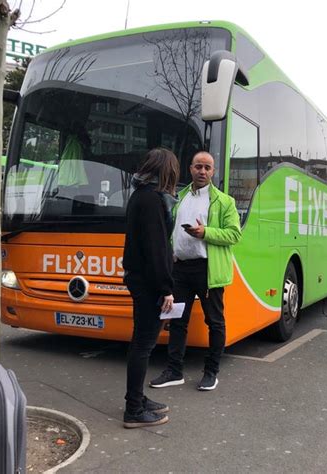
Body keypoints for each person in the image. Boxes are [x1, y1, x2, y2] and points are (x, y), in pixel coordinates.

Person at [150, 151, 241, 391]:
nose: (202, 171)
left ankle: (211, 372)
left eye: (207, 167)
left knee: (215, 322)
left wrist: (206, 232)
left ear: (213, 172)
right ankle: (174, 371)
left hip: (207, 269)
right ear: (190, 169)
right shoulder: (178, 197)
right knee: (176, 320)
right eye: (198, 166)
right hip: (180, 269)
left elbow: (234, 234)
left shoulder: (224, 201)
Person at [122, 148, 180, 428]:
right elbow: (156, 249)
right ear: (166, 173)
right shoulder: (153, 201)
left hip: (139, 280)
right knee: (143, 346)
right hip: (149, 284)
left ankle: (137, 398)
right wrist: (166, 288)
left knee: (140, 344)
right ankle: (133, 408)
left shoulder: (139, 196)